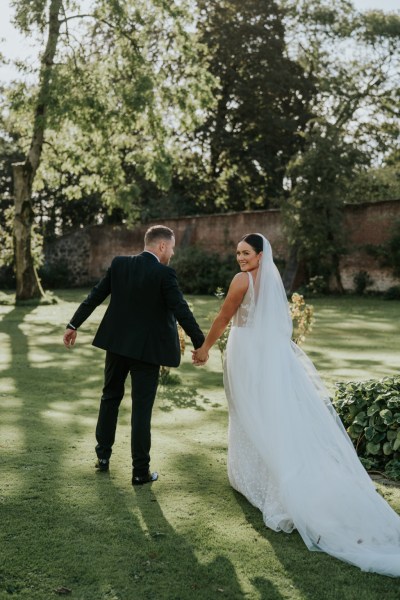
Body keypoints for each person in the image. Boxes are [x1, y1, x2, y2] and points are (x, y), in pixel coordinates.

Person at [192, 233, 400, 577]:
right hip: (269, 355)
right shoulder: (272, 278)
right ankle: (255, 475)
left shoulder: (242, 280)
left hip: (248, 353)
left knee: (250, 412)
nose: (240, 258)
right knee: (268, 415)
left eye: (246, 253)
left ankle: (264, 481)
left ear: (260, 255)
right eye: (238, 253)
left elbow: (224, 316)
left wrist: (205, 348)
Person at [63, 225, 204, 485]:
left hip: (116, 347)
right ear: (162, 246)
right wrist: (201, 344)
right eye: (172, 247)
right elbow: (181, 310)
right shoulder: (164, 274)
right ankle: (140, 472)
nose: (172, 253)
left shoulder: (120, 265)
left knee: (109, 398)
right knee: (141, 410)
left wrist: (73, 325)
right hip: (146, 354)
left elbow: (95, 296)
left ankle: (103, 457)